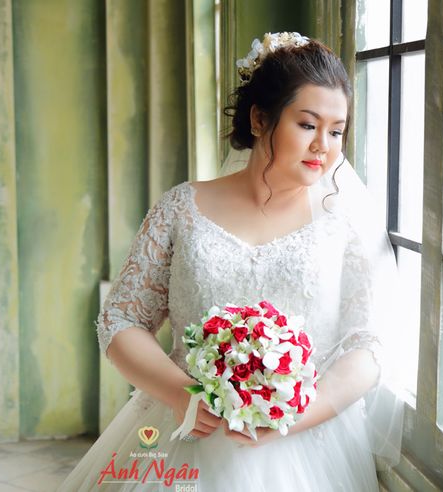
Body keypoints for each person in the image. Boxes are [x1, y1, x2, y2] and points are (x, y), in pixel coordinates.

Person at [58, 32, 406, 492]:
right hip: (185, 432)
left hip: (307, 446)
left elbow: (369, 344)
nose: (323, 145)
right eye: (307, 125)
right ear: (260, 119)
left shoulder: (344, 225)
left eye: (336, 131)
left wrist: (293, 415)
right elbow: (121, 318)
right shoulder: (181, 209)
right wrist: (181, 393)